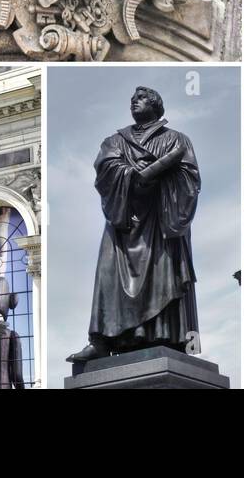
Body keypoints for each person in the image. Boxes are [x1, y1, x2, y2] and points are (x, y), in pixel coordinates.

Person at [66, 87, 199, 363]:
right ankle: (101, 340)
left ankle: (161, 335)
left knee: (161, 272)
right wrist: (132, 175)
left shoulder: (176, 140)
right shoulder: (115, 140)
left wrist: (158, 179)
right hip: (124, 220)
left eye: (141, 99)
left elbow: (190, 179)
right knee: (107, 274)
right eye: (132, 100)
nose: (134, 103)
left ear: (156, 105)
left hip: (160, 219)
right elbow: (105, 170)